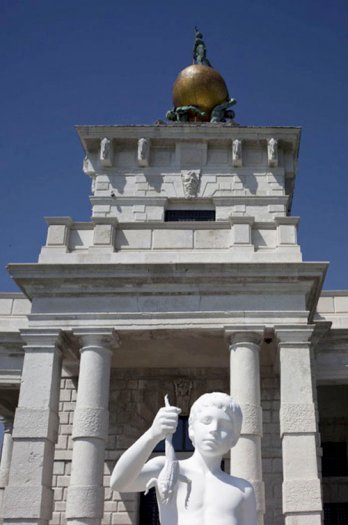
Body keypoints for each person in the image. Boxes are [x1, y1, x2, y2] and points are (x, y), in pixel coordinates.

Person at [110, 392, 257, 525]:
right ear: (191, 429)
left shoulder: (242, 490)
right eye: (206, 421)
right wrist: (151, 435)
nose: (214, 429)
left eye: (224, 425)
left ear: (234, 438)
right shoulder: (168, 468)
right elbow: (119, 483)